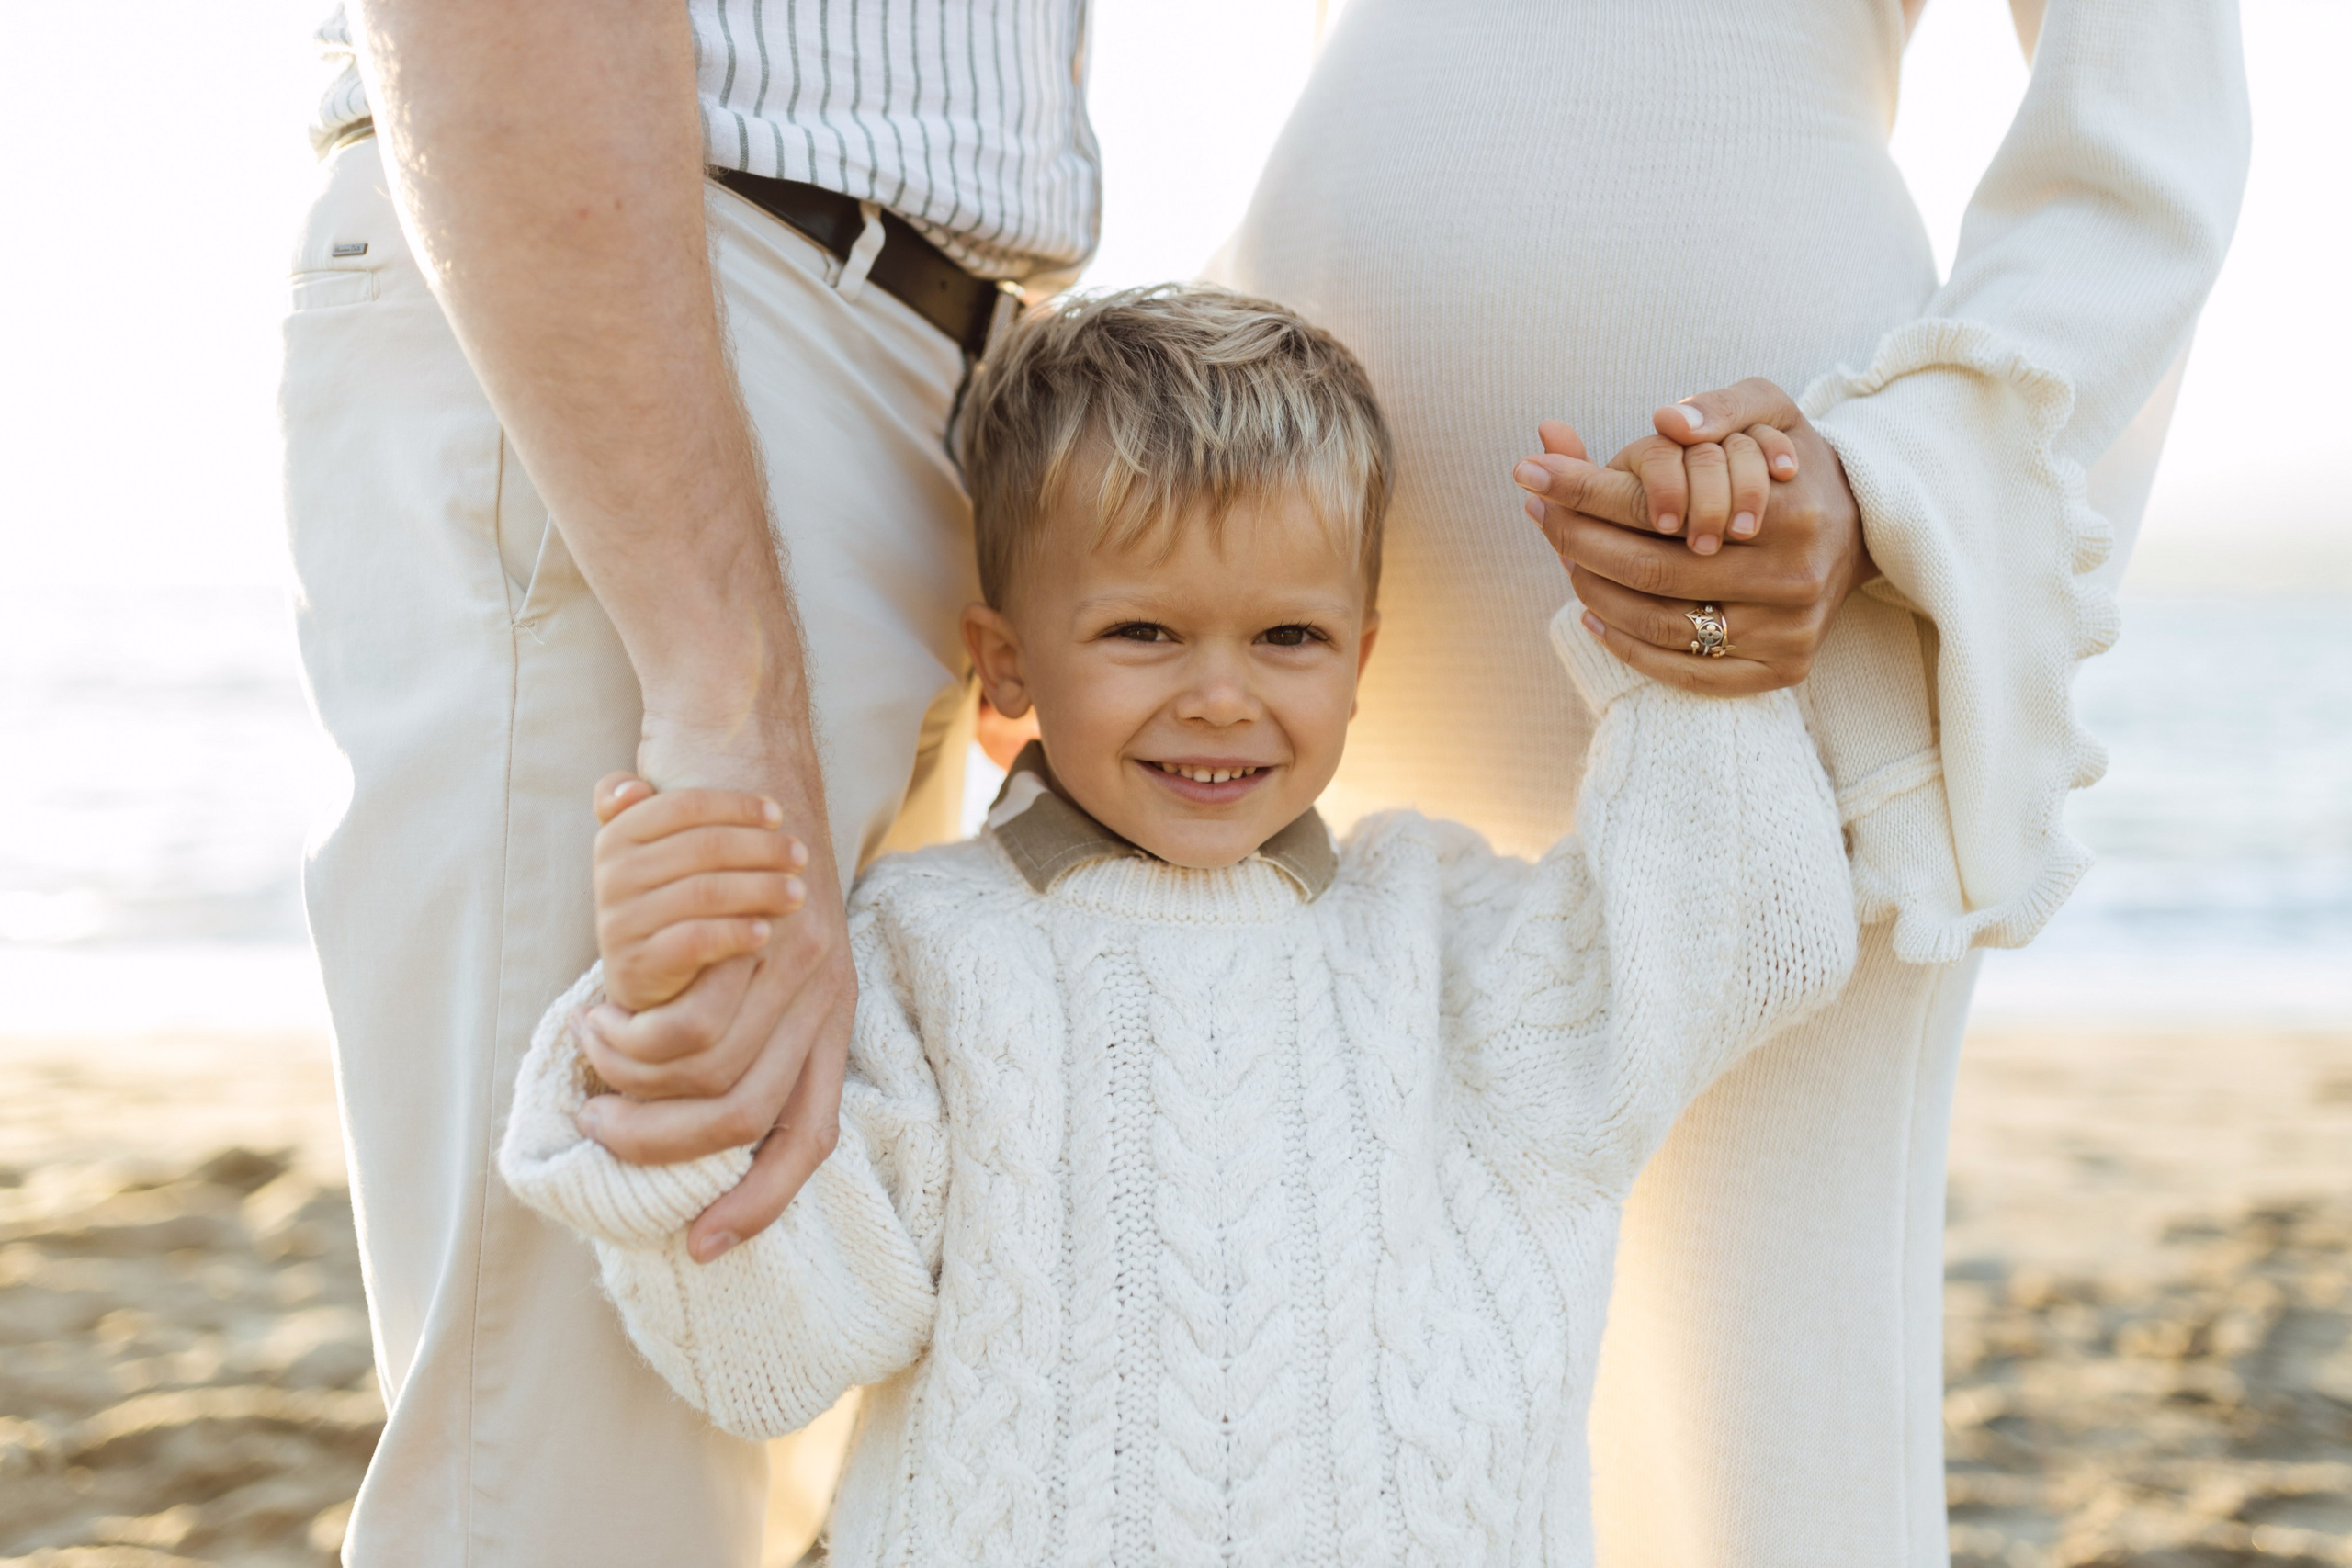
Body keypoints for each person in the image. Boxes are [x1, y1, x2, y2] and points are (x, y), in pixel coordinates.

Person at [501, 284, 1860, 1564]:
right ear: (1010, 659)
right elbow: (771, 1355)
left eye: (1288, 639)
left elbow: (1744, 940)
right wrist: (675, 1023)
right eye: (1146, 632)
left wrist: (1700, 640)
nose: (1221, 697)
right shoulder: (919, 954)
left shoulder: (1449, 935)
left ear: (1362, 653)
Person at [1216, 0, 2251, 1560]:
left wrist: (1889, 481)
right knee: (1409, 1441)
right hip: (1331, 645)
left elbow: (2150, 118)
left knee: (1754, 1462)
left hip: (1764, 629)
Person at [279, 2, 1098, 1560]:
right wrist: (726, 683)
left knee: (759, 1370)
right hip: (663, 308)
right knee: (576, 1468)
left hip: (892, 371)